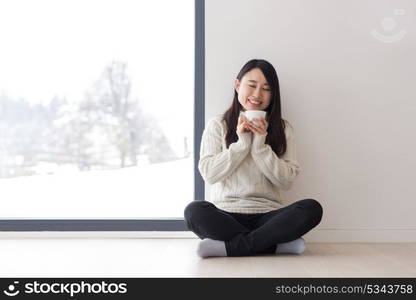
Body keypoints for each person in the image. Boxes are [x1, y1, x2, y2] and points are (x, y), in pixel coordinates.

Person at [184, 59, 323, 258]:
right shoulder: (218, 125)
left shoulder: (283, 128)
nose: (257, 94)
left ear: (273, 94)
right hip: (226, 214)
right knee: (194, 211)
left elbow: (287, 181)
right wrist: (241, 145)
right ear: (237, 85)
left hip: (268, 217)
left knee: (311, 208)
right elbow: (209, 174)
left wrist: (260, 146)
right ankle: (274, 246)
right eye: (252, 86)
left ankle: (228, 248)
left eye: (266, 89)